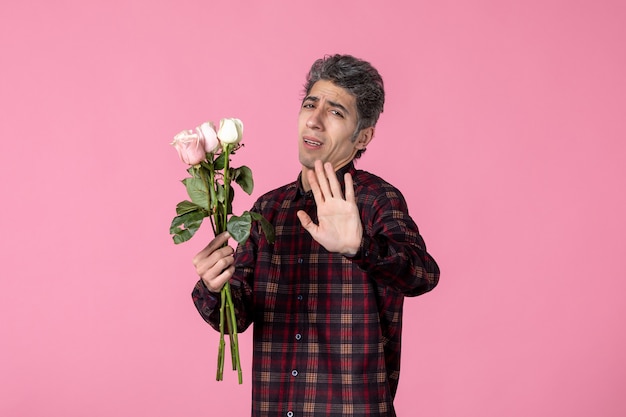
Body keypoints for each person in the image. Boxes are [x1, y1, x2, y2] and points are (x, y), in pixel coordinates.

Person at [191, 54, 440, 417]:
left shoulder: (374, 200)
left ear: (363, 137)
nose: (315, 119)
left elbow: (423, 274)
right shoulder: (268, 208)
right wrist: (213, 287)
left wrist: (359, 248)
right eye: (311, 104)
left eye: (336, 112)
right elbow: (236, 318)